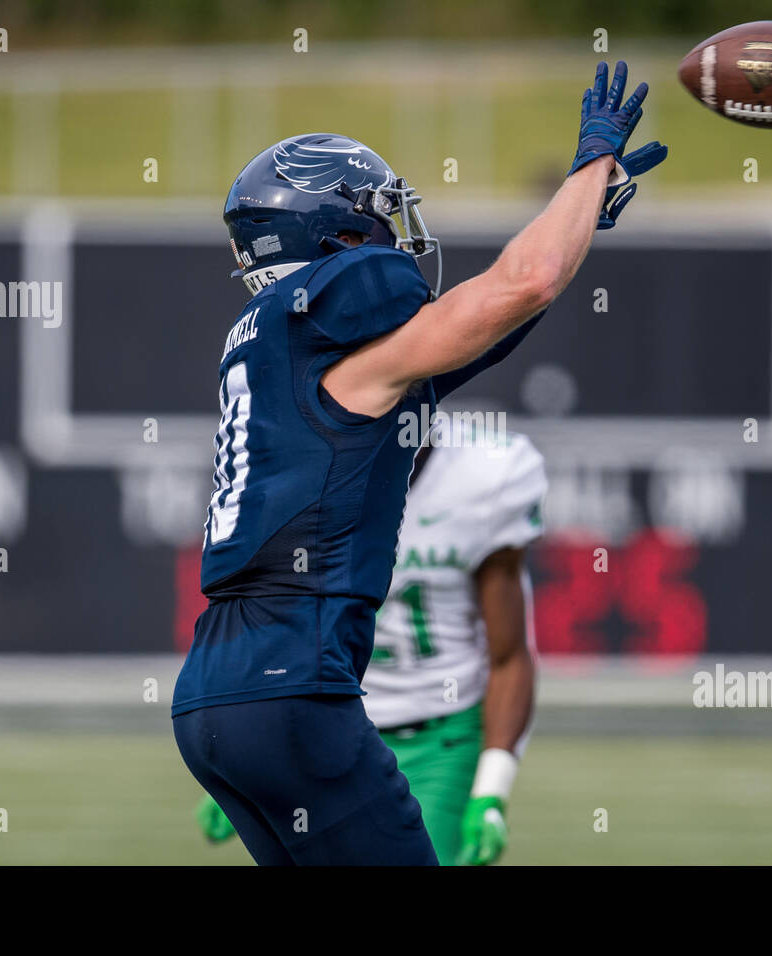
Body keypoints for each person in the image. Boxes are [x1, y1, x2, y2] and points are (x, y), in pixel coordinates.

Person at [171, 60, 665, 865]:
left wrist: (576, 215)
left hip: (212, 692)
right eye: (379, 220)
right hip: (296, 684)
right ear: (335, 239)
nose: (398, 237)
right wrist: (586, 168)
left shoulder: (288, 351)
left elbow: (499, 315)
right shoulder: (331, 345)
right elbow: (522, 281)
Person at [196, 429, 547, 865]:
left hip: (443, 739)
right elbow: (282, 627)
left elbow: (509, 655)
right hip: (329, 733)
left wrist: (491, 790)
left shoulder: (486, 475)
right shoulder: (306, 471)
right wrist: (253, 754)